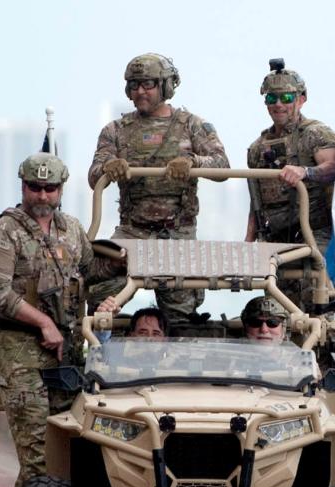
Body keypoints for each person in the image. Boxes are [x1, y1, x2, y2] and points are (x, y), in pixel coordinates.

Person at [0, 153, 122, 487]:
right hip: (22, 353)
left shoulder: (72, 230)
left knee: (68, 449)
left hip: (67, 356)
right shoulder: (4, 233)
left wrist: (124, 266)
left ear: (61, 189)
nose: (42, 195)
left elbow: (93, 273)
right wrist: (42, 323)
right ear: (22, 186)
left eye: (50, 188)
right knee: (39, 452)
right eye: (35, 187)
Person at [88, 53, 229, 326]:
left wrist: (193, 162)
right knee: (100, 303)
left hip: (177, 233)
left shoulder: (192, 125)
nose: (141, 91)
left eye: (149, 84)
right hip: (131, 232)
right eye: (135, 85)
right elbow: (95, 176)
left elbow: (222, 166)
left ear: (166, 86)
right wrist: (110, 168)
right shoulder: (115, 130)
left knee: (180, 319)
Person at [245, 59, 335, 252]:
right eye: (272, 98)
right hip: (274, 236)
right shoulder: (257, 148)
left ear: (301, 99)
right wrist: (247, 241)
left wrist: (305, 172)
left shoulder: (315, 134)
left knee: (313, 276)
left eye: (286, 97)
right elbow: (256, 201)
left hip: (314, 234)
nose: (278, 104)